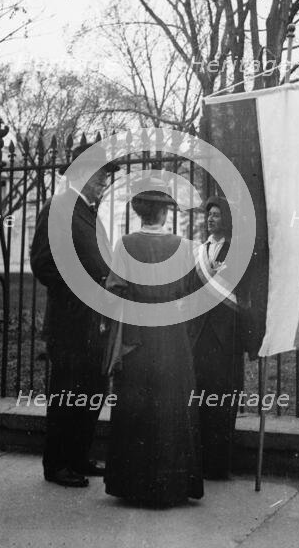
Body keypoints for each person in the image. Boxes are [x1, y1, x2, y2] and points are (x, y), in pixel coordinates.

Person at [103, 175, 204, 507]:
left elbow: (113, 292)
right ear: (164, 212)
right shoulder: (185, 247)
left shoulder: (124, 245)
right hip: (172, 338)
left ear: (139, 212)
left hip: (137, 337)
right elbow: (193, 295)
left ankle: (133, 484)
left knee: (135, 407)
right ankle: (171, 485)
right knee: (172, 407)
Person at [30, 143, 119, 488]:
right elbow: (42, 263)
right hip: (70, 322)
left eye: (106, 178)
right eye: (99, 176)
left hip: (94, 322)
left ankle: (78, 457)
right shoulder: (58, 208)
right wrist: (89, 284)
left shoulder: (88, 213)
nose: (103, 184)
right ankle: (58, 465)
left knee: (92, 390)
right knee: (68, 393)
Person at [190, 195, 246, 480]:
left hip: (226, 339)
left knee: (223, 401)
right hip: (200, 337)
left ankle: (219, 465)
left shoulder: (239, 251)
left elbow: (245, 293)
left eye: (217, 215)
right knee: (200, 398)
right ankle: (198, 461)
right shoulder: (199, 251)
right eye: (209, 214)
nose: (211, 219)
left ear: (228, 220)